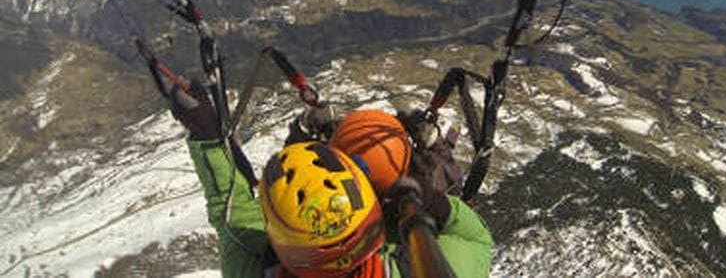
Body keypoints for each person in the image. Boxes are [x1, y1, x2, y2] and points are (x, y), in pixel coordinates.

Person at [169, 80, 493, 278]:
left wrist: (207, 136)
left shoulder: (256, 266)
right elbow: (476, 239)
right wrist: (430, 202)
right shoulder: (418, 266)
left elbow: (231, 209)